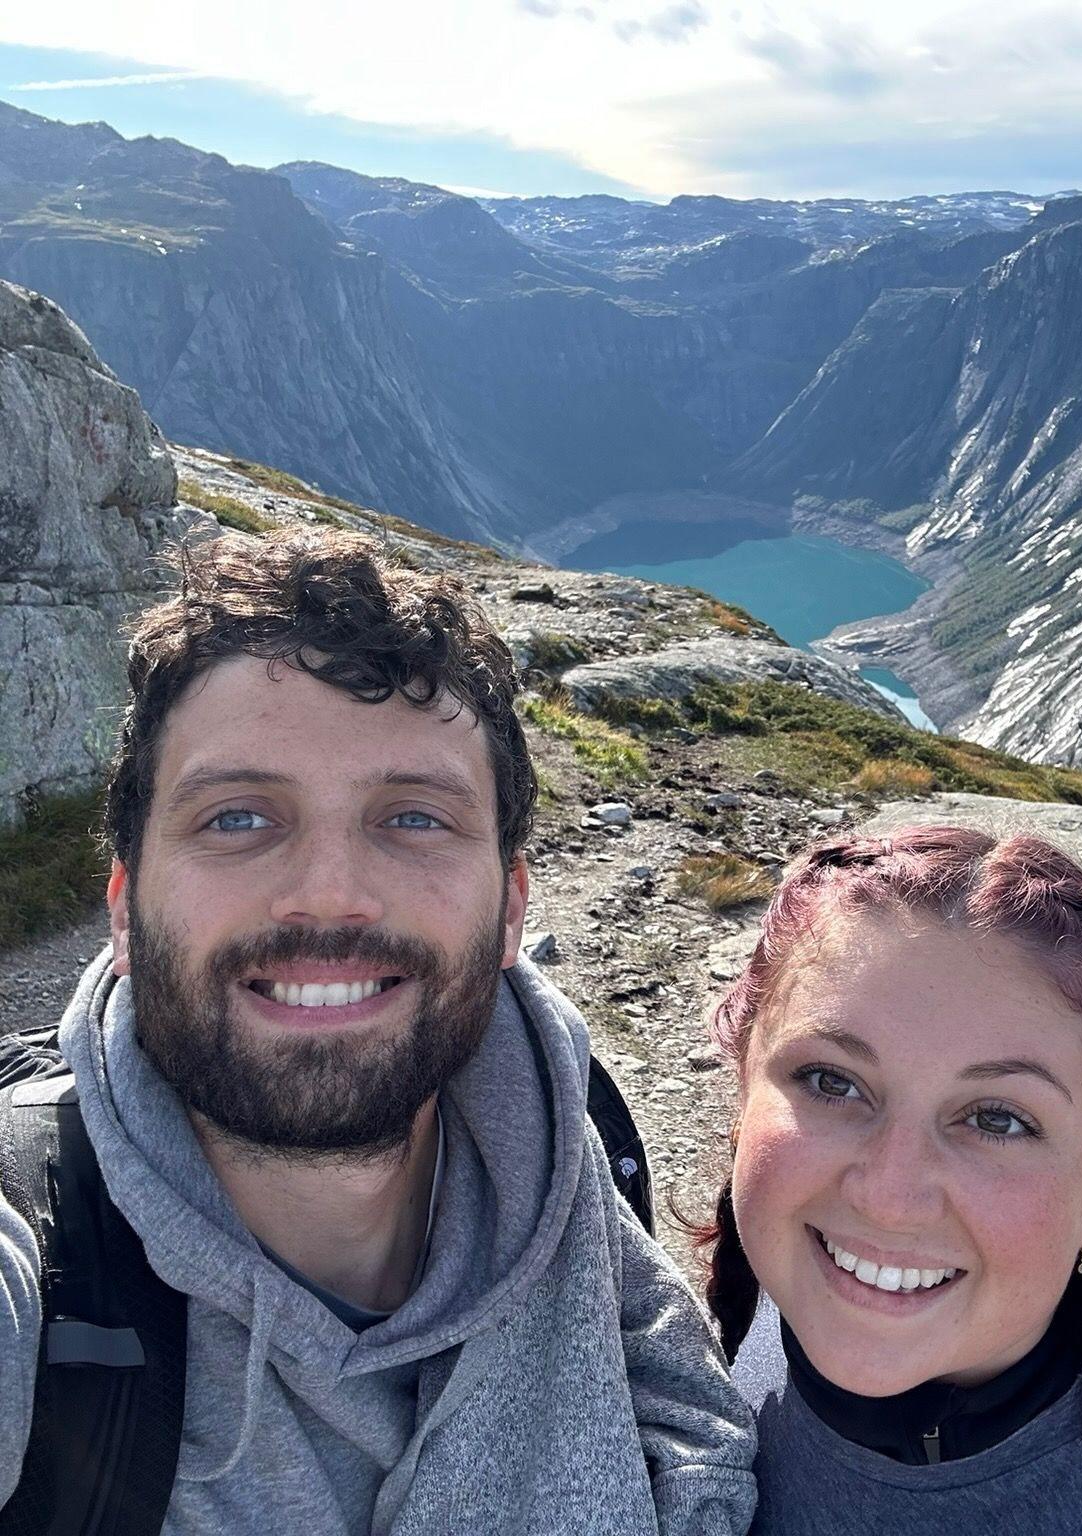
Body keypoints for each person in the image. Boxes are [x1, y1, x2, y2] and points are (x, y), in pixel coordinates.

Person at [0, 529, 756, 1534]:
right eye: (237, 817)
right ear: (125, 907)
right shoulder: (35, 1254)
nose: (331, 895)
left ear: (512, 912)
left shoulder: (571, 1157)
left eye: (411, 818)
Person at [698, 827, 1082, 1535]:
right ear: (744, 1083)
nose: (889, 1198)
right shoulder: (767, 1293)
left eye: (997, 1120)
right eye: (832, 1081)